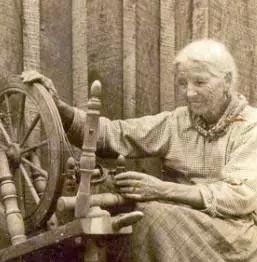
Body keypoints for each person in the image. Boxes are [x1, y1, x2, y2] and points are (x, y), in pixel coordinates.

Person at [22, 39, 257, 262]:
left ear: (227, 80)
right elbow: (115, 134)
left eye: (200, 83)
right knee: (119, 202)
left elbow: (238, 198)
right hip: (179, 217)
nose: (189, 93)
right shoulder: (180, 121)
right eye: (183, 84)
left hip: (230, 232)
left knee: (151, 216)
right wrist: (59, 109)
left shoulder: (250, 126)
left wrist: (161, 189)